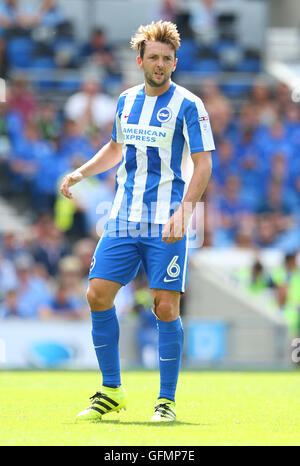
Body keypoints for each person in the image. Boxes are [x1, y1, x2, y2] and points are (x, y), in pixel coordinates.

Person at [60, 20, 214, 423]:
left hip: (167, 220)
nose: (159, 64)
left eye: (166, 58)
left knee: (165, 306)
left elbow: (203, 164)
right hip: (123, 218)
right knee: (97, 295)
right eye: (153, 57)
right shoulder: (126, 101)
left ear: (175, 62)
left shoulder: (189, 106)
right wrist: (81, 172)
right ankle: (112, 390)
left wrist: (185, 210)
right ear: (141, 60)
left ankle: (165, 401)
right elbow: (115, 146)